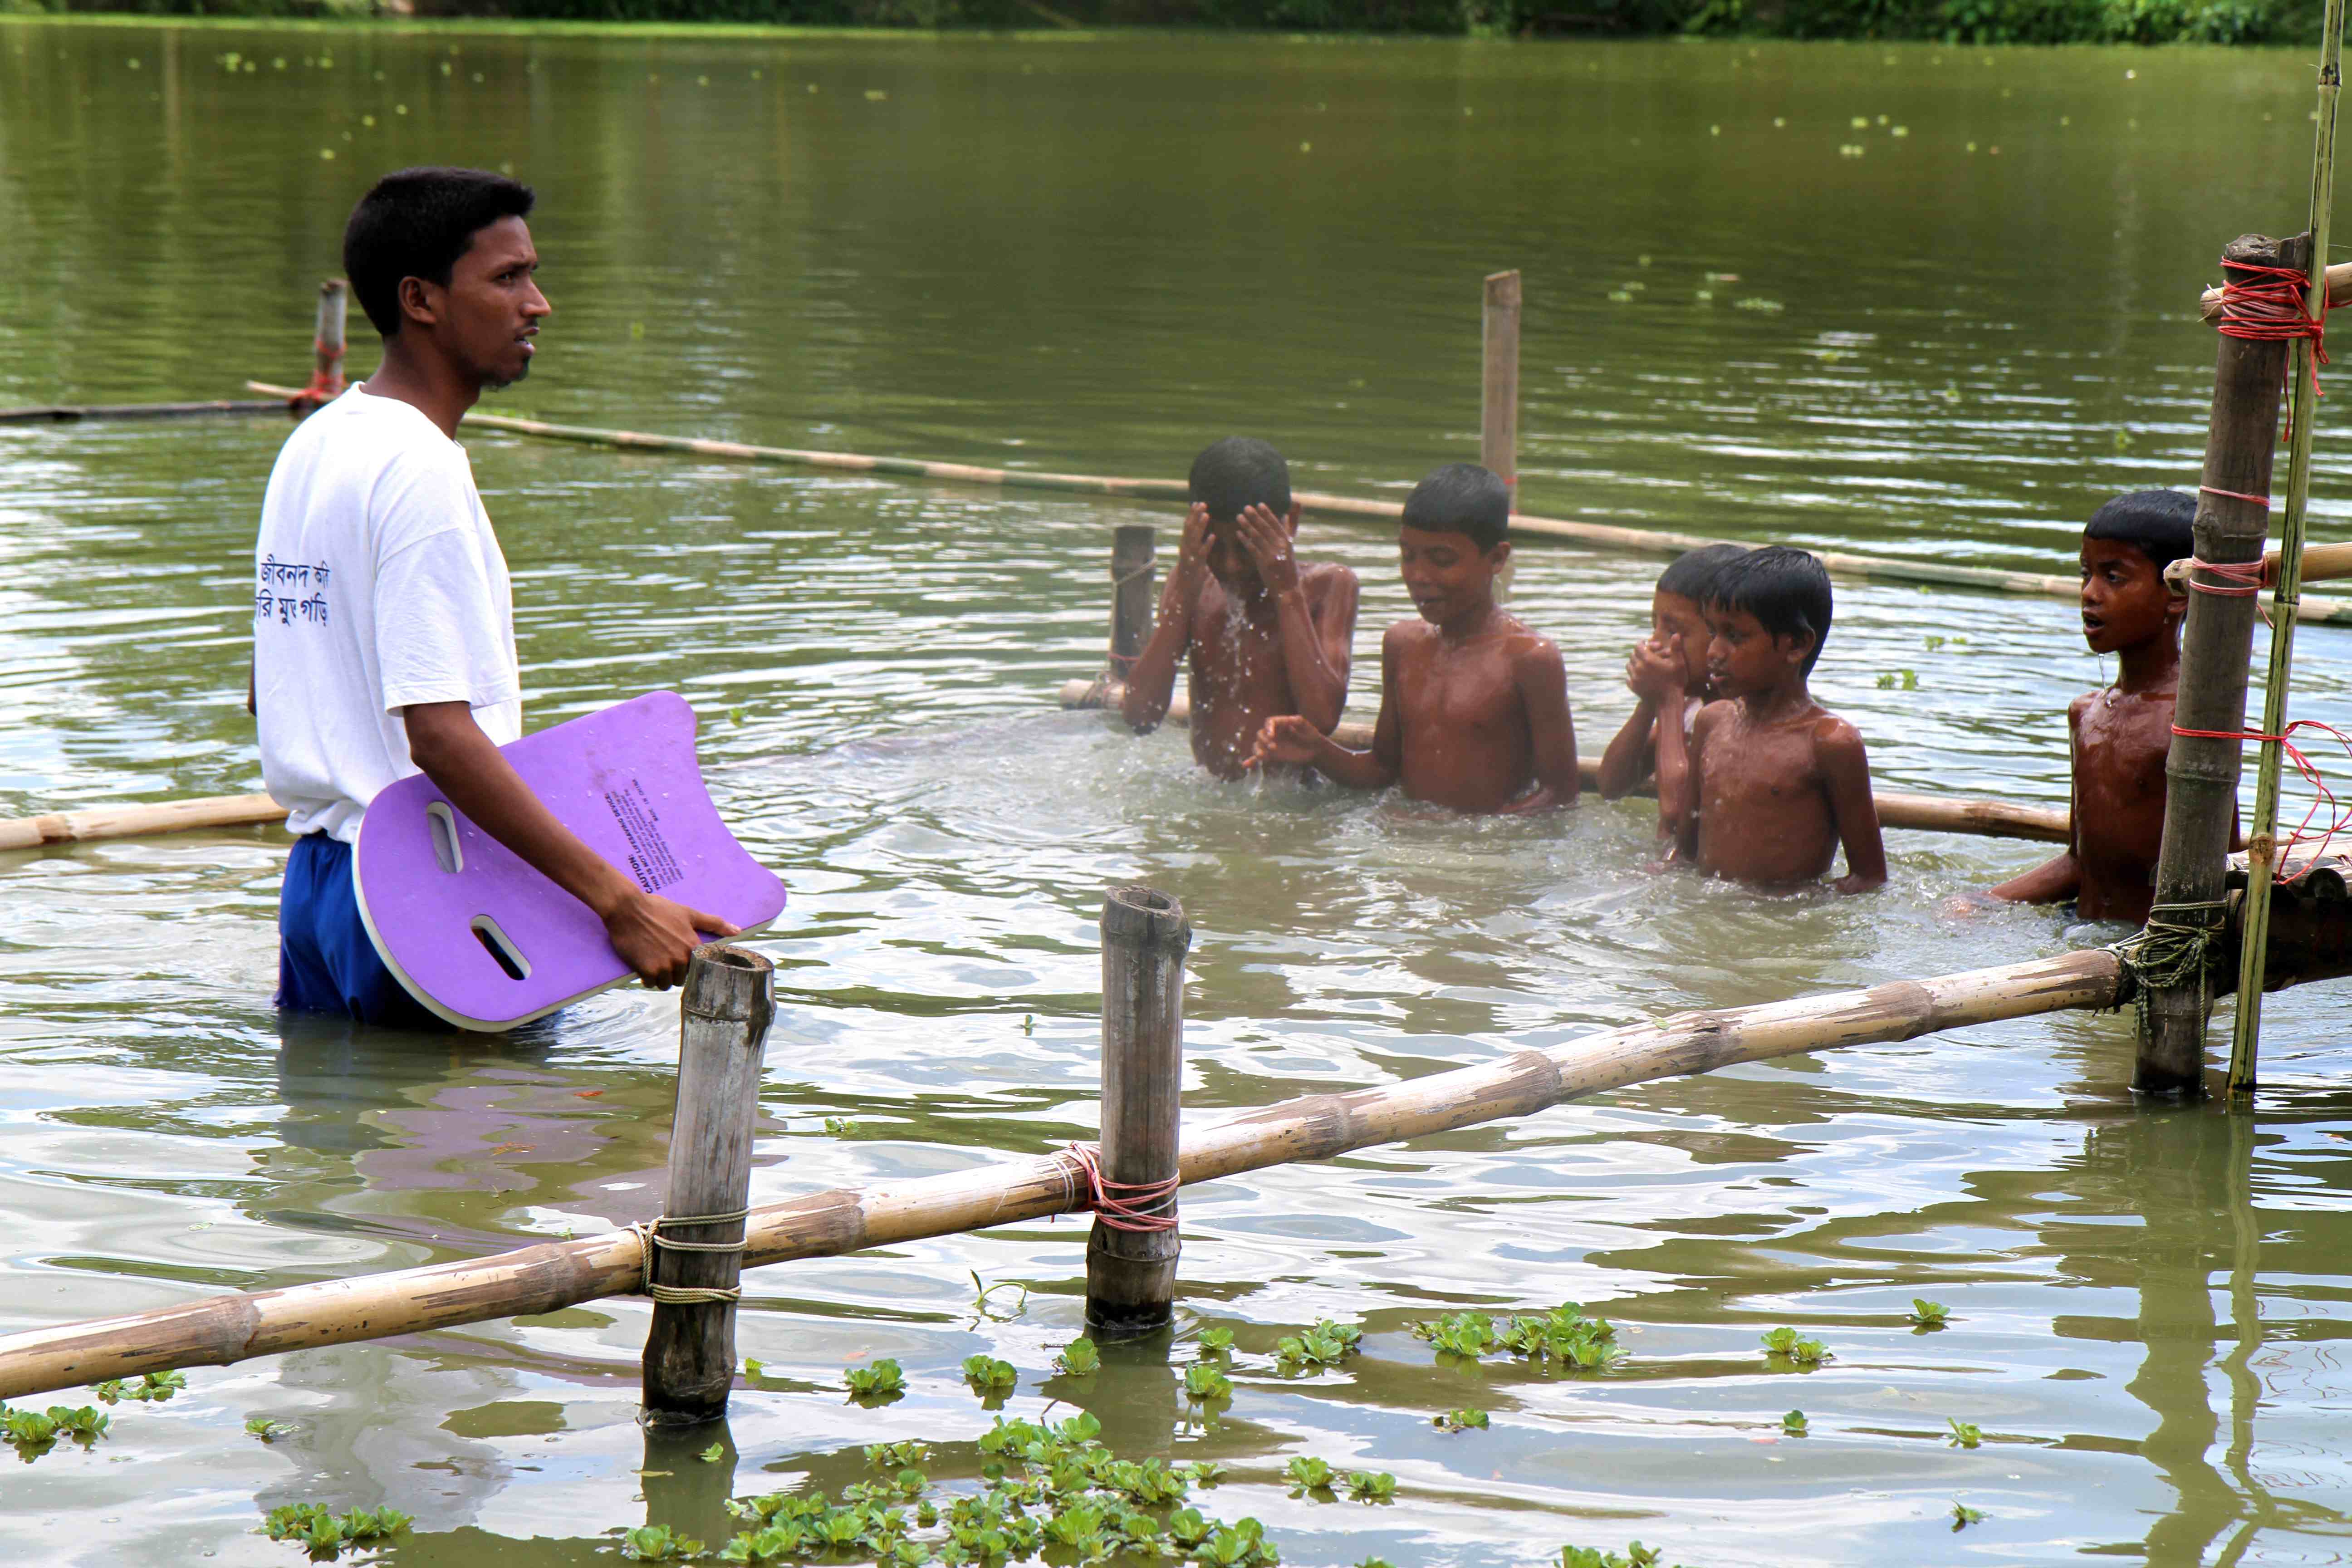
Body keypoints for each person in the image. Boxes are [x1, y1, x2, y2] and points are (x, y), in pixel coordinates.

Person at [251, 166, 737, 1024]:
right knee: (479, 1155)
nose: (538, 303)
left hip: (320, 894)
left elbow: (269, 687)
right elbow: (438, 733)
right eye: (507, 278)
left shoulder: (317, 443)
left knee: (338, 1144)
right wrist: (620, 902)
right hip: (424, 901)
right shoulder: (421, 468)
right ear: (421, 299)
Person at [1247, 463, 1579, 814]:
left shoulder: (1531, 660)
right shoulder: (1401, 645)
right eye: (1408, 556)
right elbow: (1382, 769)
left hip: (1480, 856)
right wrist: (1316, 749)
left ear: (1496, 558)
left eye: (1442, 560)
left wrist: (1477, 841)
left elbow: (1559, 795)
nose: (1419, 576)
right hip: (1410, 844)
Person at [1985, 490, 2202, 923]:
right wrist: (1985, 903)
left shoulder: (2192, 724)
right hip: (2084, 937)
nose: (2089, 594)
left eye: (2114, 578)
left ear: (2177, 596)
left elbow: (2221, 871)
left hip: (2153, 955)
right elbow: (2079, 863)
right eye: (2086, 574)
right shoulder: (2085, 713)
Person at [1119, 438, 1359, 780]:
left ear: (1290, 521)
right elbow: (1140, 716)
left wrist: (1287, 592)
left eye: (1248, 548)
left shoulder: (1328, 587)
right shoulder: (1192, 583)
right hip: (1208, 792)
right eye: (1216, 547)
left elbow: (1322, 718)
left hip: (1295, 804)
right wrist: (1185, 589)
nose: (1231, 566)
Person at [1675, 546, 1886, 891]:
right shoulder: (1711, 722)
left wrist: (1798, 920)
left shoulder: (1830, 743)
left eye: (1735, 636)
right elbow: (1684, 851)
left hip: (1782, 925)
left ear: (1796, 646)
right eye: (1713, 633)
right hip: (1710, 911)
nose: (1714, 652)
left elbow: (1869, 878)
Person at [1596, 542, 1747, 840]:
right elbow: (1612, 785)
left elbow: (1678, 816)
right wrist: (1650, 703)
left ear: (1723, 635)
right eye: (1654, 625)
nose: (1654, 643)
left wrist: (1667, 700)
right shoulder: (1689, 706)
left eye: (1673, 630)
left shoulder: (1742, 714)